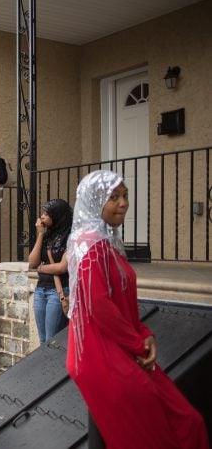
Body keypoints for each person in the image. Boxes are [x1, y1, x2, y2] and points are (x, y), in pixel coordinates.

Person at [66, 170, 209, 449]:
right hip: (101, 357)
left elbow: (123, 302)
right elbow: (99, 307)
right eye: (114, 197)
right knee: (152, 437)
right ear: (95, 202)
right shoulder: (90, 246)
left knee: (188, 421)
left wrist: (144, 333)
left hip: (125, 348)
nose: (124, 203)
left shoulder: (107, 243)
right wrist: (138, 344)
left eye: (125, 195)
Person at [28, 199, 73, 344]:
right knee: (43, 340)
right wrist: (40, 234)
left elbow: (61, 267)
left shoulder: (70, 236)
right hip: (41, 290)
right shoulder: (47, 235)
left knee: (51, 340)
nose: (42, 217)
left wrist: (41, 268)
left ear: (57, 216)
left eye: (47, 214)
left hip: (58, 291)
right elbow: (32, 262)